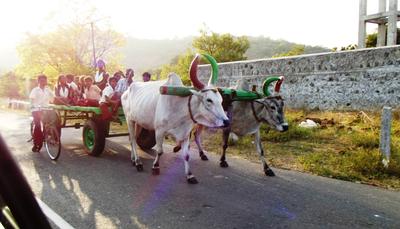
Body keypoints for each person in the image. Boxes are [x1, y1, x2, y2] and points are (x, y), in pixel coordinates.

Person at [29, 74, 54, 152]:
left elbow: (53, 98)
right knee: (38, 125)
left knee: (50, 123)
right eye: (42, 80)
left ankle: (49, 135)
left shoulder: (48, 89)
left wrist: (64, 103)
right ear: (38, 81)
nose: (44, 82)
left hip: (45, 109)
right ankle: (36, 143)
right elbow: (32, 100)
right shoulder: (35, 90)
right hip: (36, 109)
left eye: (45, 80)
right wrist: (33, 106)